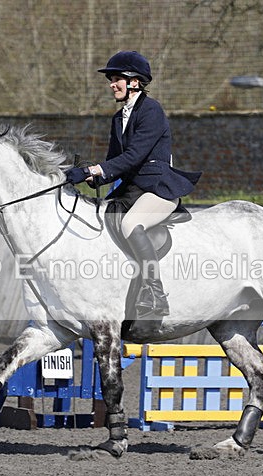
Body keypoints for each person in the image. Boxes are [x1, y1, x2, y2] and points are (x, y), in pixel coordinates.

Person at [66, 50, 201, 317]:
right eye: (111, 79)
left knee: (130, 223)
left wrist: (97, 169)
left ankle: (155, 292)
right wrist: (92, 176)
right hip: (131, 191)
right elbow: (115, 161)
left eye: (116, 79)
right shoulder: (118, 118)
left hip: (158, 189)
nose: (111, 84)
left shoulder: (152, 110)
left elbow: (134, 156)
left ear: (135, 82)